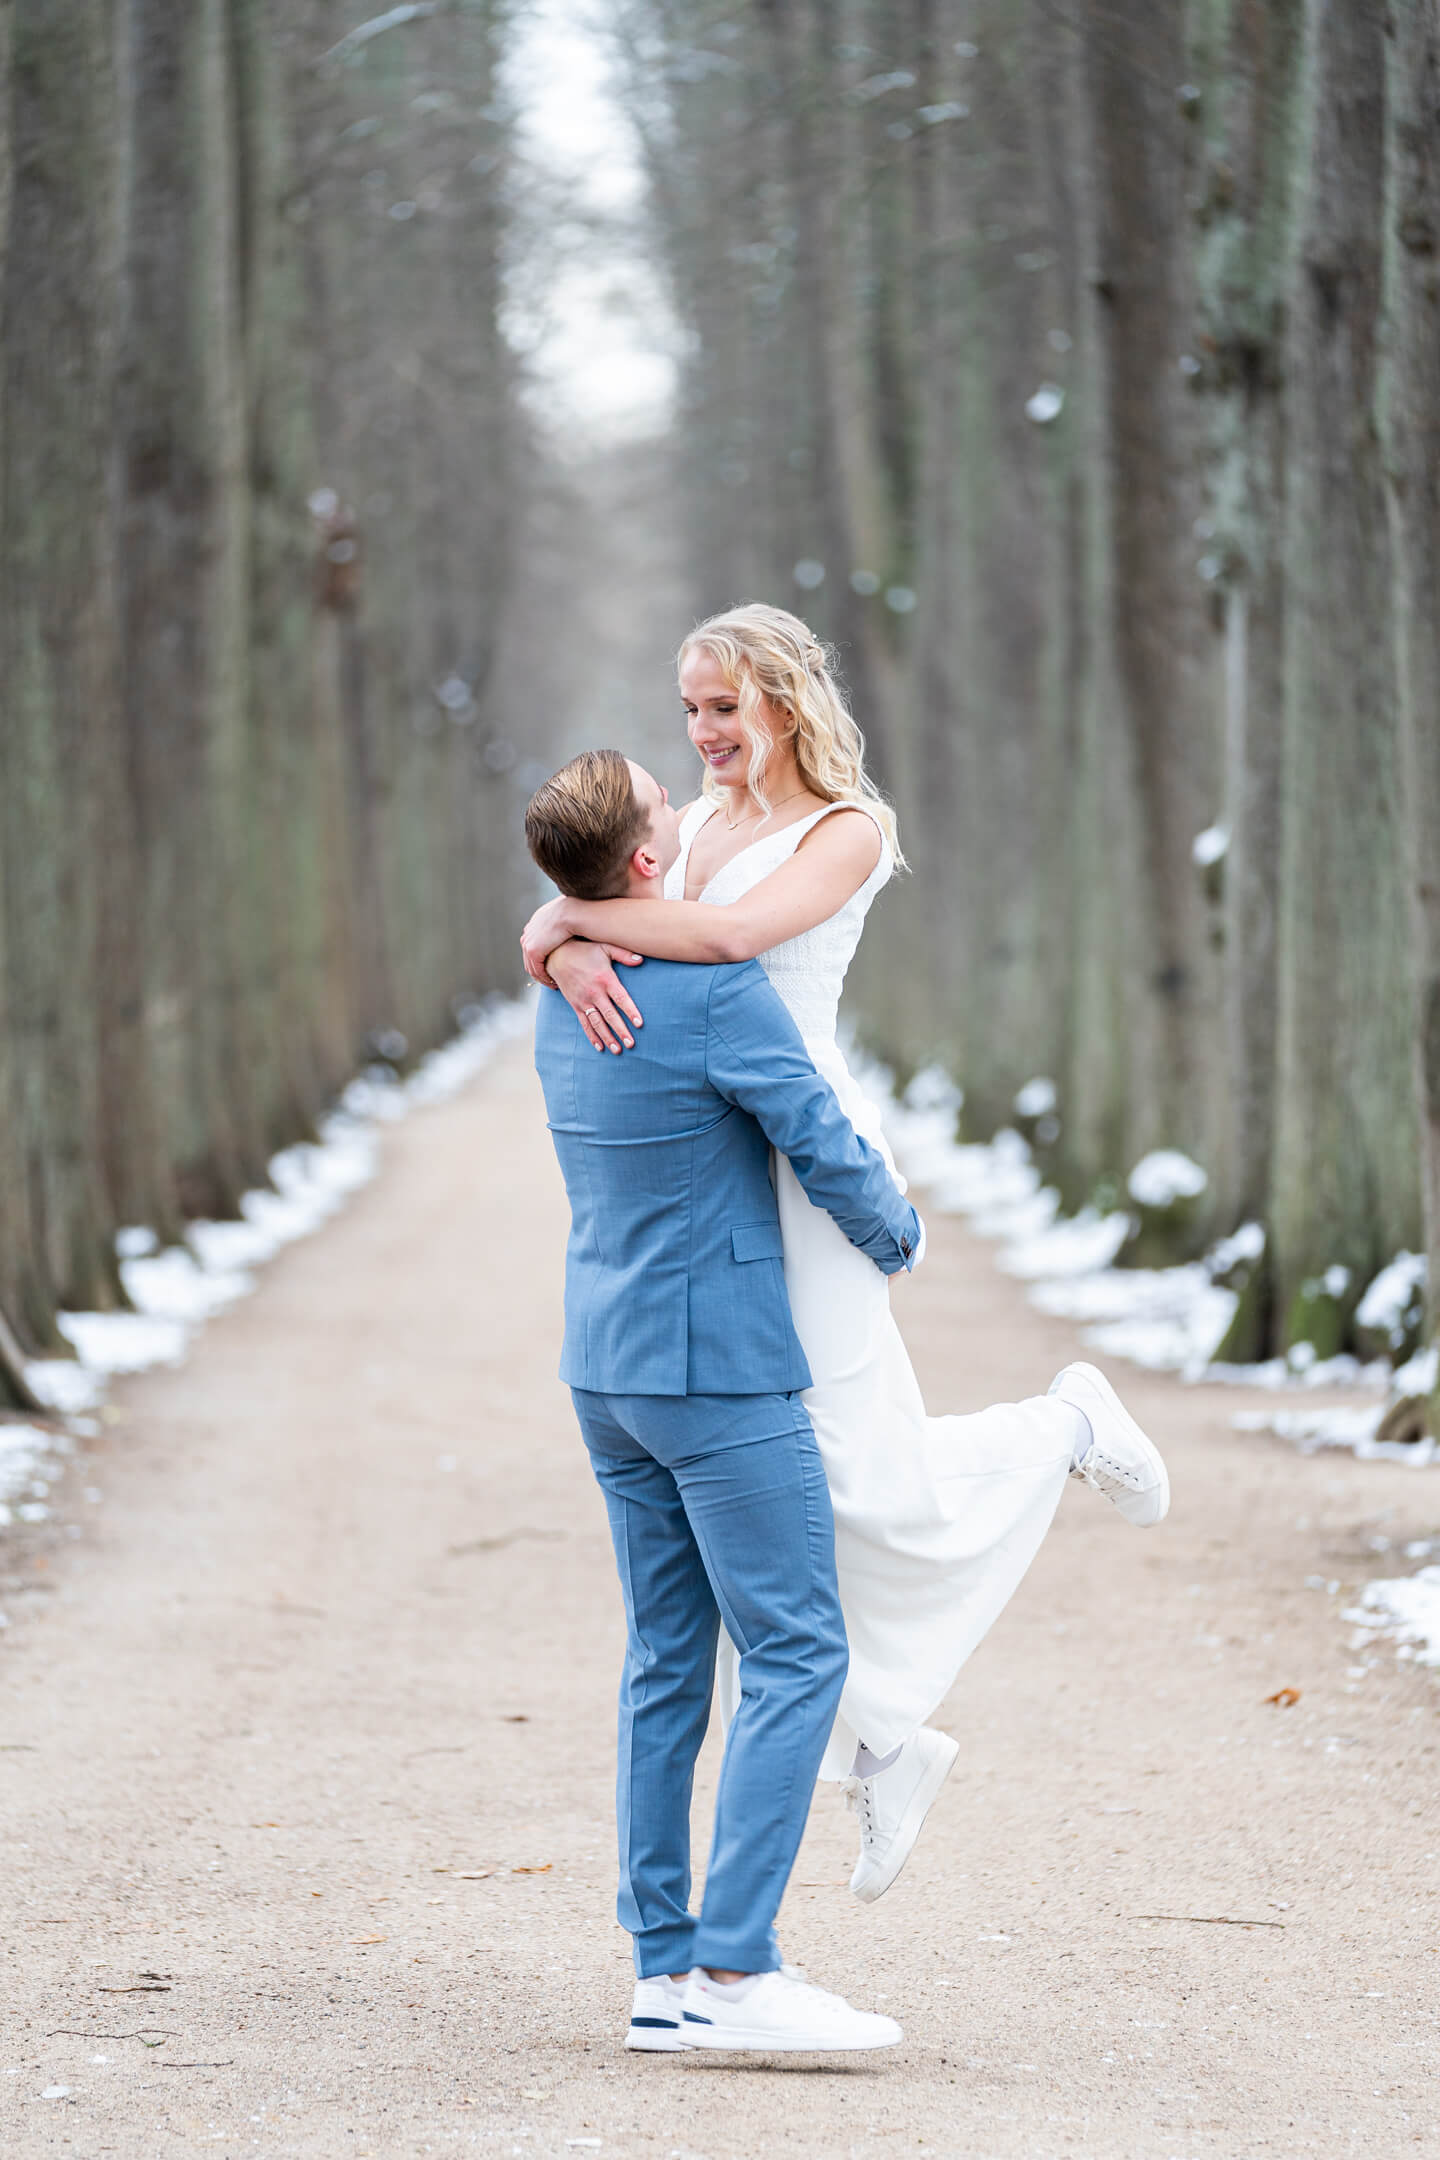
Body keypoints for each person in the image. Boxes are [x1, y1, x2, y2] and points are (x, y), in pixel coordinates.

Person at [522, 605, 1170, 1907]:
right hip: (717, 1158)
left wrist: (561, 932)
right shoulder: (693, 828)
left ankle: (1059, 1429)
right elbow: (643, 899)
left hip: (808, 1164)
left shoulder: (847, 832)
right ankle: (885, 1739)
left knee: (851, 1473)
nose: (703, 735)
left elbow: (726, 944)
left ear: (786, 700)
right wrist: (566, 929)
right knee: (800, 1477)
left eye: (724, 708)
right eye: (691, 709)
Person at [526, 747, 921, 2054]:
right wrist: (897, 1231)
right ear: (651, 863)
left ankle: (663, 1971)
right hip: (718, 1365)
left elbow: (574, 932)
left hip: (608, 1363)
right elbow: (815, 1132)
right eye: (668, 810)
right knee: (800, 1648)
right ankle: (739, 1977)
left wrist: (565, 934)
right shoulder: (711, 991)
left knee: (664, 1666)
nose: (692, 821)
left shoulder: (564, 990)